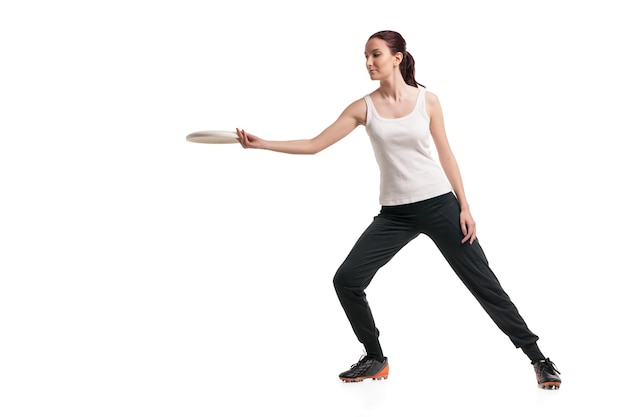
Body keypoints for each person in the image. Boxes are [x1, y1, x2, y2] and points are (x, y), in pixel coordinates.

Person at [234, 30, 561, 390]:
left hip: (440, 205)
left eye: (375, 55)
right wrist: (263, 144)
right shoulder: (363, 107)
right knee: (347, 280)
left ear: (397, 57)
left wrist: (464, 205)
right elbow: (315, 144)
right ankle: (375, 357)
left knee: (484, 284)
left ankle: (538, 358)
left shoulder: (428, 101)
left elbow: (446, 154)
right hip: (395, 214)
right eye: (365, 56)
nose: (369, 63)